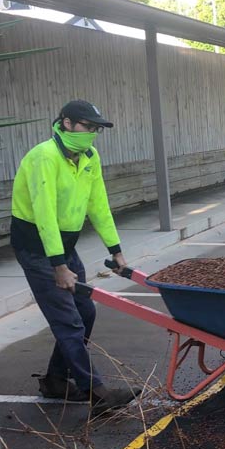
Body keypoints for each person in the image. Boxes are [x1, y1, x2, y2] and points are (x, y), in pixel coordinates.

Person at [10, 99, 138, 415]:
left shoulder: (89, 157)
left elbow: (99, 206)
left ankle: (55, 380)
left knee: (85, 311)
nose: (91, 134)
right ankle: (96, 393)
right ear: (66, 123)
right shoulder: (44, 157)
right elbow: (45, 216)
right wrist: (59, 266)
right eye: (87, 126)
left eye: (96, 129)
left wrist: (116, 252)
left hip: (64, 245)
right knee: (68, 321)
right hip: (37, 246)